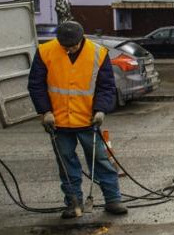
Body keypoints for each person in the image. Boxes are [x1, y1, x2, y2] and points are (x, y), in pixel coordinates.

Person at [27, 20, 124, 218]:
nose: (69, 49)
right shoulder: (45, 52)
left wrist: (101, 110)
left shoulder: (98, 53)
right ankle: (73, 203)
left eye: (73, 46)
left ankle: (113, 200)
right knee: (67, 164)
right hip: (58, 122)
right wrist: (45, 111)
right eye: (65, 47)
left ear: (82, 39)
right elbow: (36, 85)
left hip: (88, 119)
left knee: (101, 161)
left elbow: (106, 86)